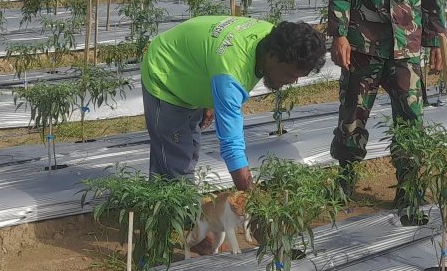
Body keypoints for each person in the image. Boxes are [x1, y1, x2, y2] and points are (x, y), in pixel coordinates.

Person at [327, 0, 447, 225]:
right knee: (352, 118)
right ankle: (344, 183)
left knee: (411, 123)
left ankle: (409, 193)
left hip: (406, 45)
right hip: (363, 41)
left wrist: (437, 35)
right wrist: (339, 33)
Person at [139, 16, 328, 192]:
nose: (292, 82)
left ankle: (159, 214)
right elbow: (231, 144)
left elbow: (212, 56)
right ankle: (183, 223)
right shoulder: (231, 73)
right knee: (177, 164)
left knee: (183, 152)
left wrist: (212, 98)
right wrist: (249, 193)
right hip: (165, 74)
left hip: (189, 65)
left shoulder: (271, 37)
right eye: (290, 74)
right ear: (273, 56)